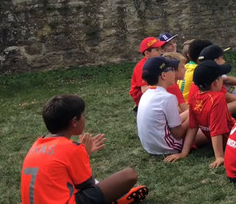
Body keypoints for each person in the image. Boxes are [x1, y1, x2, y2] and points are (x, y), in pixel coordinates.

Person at [20, 94, 148, 204]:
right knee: (128, 175)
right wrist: (83, 154)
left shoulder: (37, 144)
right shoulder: (71, 148)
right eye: (83, 115)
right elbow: (88, 186)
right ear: (74, 121)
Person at [165, 60, 235, 167]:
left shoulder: (195, 97)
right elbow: (216, 130)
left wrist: (184, 153)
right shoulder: (218, 98)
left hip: (223, 140)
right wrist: (219, 156)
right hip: (234, 138)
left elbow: (193, 127)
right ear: (216, 82)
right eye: (221, 77)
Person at [136, 56, 199, 156]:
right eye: (171, 70)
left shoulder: (147, 93)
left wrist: (192, 110)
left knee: (191, 110)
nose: (174, 72)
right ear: (164, 75)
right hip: (167, 147)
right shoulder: (167, 98)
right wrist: (195, 114)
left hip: (150, 146)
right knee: (204, 131)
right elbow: (178, 134)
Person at [129, 36, 165, 108]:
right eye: (157, 50)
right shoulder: (142, 67)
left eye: (160, 49)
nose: (161, 52)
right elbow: (144, 90)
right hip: (144, 99)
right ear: (147, 53)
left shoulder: (158, 61)